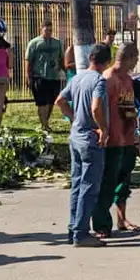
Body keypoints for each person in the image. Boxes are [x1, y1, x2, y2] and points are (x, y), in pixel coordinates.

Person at [54, 44, 111, 248]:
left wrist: (74, 117)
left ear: (90, 58)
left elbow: (60, 100)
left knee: (77, 185)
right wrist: (103, 128)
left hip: (75, 137)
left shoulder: (77, 78)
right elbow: (96, 107)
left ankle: (73, 229)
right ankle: (81, 233)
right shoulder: (99, 81)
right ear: (107, 62)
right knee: (89, 186)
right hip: (90, 138)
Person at [93, 43, 140, 238]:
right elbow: (97, 108)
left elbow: (128, 106)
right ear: (128, 57)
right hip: (111, 139)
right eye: (136, 57)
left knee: (124, 181)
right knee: (107, 184)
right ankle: (101, 225)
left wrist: (134, 133)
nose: (137, 61)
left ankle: (122, 218)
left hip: (127, 138)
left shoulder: (128, 80)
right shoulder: (107, 79)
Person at [26, 22, 65, 131]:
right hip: (39, 76)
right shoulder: (34, 43)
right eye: (46, 30)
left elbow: (61, 59)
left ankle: (45, 122)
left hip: (54, 77)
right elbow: (28, 60)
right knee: (42, 102)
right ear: (41, 29)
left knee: (51, 102)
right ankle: (44, 125)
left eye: (50, 30)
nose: (48, 32)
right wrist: (28, 77)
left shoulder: (57, 43)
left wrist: (64, 71)